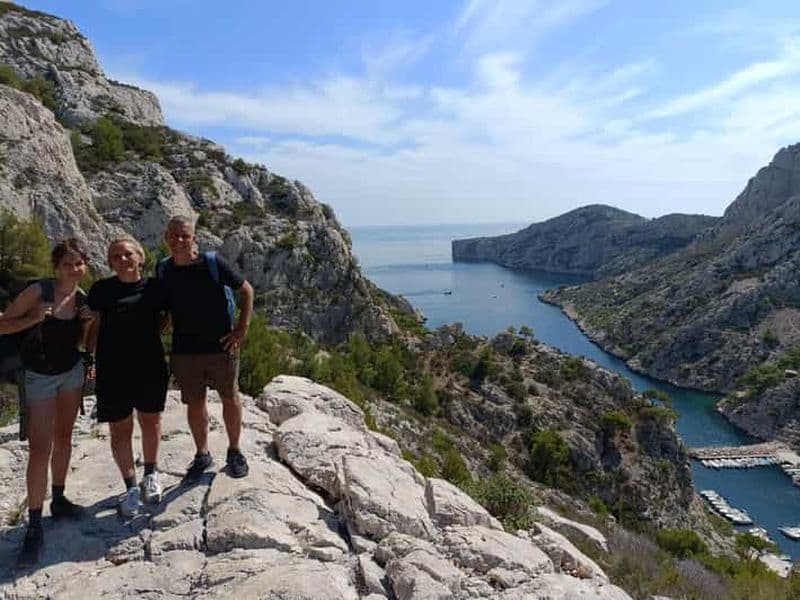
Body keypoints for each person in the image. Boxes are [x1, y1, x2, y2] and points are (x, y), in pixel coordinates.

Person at [0, 238, 92, 568]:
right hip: (39, 376)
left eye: (79, 262)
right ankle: (34, 524)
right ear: (56, 266)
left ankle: (59, 497)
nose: (74, 268)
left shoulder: (81, 298)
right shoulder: (39, 292)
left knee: (65, 437)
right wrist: (32, 319)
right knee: (40, 448)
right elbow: (2, 323)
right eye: (68, 263)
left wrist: (88, 324)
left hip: (70, 373)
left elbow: (79, 340)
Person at [157, 216, 254, 480]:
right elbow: (165, 308)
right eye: (174, 236)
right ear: (167, 238)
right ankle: (202, 454)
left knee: (229, 397)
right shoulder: (163, 269)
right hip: (185, 349)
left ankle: (234, 450)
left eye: (184, 236)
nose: (179, 241)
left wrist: (240, 331)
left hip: (221, 346)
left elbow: (246, 290)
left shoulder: (212, 263)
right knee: (195, 404)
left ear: (194, 239)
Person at [87, 237, 169, 518]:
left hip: (150, 366)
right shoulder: (101, 290)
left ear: (140, 257)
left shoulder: (155, 289)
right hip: (112, 369)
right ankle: (131, 487)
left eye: (127, 254)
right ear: (110, 262)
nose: (122, 259)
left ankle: (151, 474)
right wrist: (89, 358)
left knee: (151, 420)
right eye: (116, 256)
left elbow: (167, 317)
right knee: (120, 429)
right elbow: (94, 325)